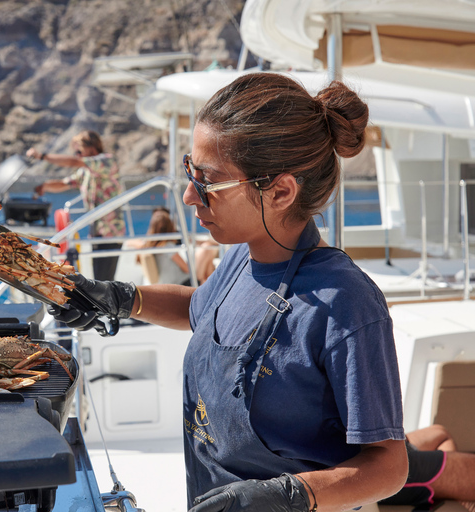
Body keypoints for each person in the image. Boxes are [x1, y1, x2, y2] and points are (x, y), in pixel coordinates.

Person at [45, 72, 409, 512]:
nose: (188, 196)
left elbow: (389, 466)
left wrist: (292, 495)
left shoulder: (346, 304)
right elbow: (200, 308)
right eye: (189, 171)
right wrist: (121, 298)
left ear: (279, 191)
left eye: (207, 182)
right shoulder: (242, 256)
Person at [27, 130, 125, 281]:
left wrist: (42, 156)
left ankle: (109, 305)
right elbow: (65, 183)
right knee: (100, 280)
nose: (77, 155)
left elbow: (74, 162)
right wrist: (45, 186)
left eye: (79, 151)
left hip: (111, 233)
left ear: (91, 147)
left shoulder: (107, 161)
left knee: (106, 281)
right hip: (96, 233)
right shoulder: (85, 172)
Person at [381, 424, 475, 511]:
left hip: (386, 443)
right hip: (381, 463)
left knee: (440, 433)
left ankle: (454, 493)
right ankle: (455, 493)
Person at [135, 207, 191, 285]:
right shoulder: (168, 246)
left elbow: (130, 242)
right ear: (170, 226)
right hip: (180, 283)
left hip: (165, 283)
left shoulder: (149, 245)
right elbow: (187, 269)